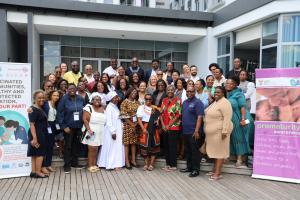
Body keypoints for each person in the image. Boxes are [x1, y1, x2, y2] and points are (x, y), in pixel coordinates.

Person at [203, 86, 233, 181]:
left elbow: (227, 118)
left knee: (220, 153)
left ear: (223, 93)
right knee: (216, 152)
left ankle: (218, 173)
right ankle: (215, 170)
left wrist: (224, 131)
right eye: (215, 92)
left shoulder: (225, 103)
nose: (216, 94)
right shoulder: (216, 102)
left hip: (220, 132)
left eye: (218, 92)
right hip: (213, 134)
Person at [57, 83, 86, 173]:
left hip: (78, 126)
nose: (72, 90)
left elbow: (85, 110)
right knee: (68, 146)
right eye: (70, 88)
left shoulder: (80, 98)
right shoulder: (64, 99)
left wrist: (83, 125)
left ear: (76, 89)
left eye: (73, 88)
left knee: (76, 146)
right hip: (68, 127)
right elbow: (60, 113)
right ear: (67, 90)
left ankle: (75, 163)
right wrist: (64, 126)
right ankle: (67, 165)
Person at [225, 77, 254, 168]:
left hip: (239, 118)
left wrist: (243, 119)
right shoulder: (229, 94)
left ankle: (239, 159)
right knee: (232, 138)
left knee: (239, 138)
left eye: (230, 83)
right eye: (226, 83)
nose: (227, 85)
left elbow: (242, 107)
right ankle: (232, 156)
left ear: (234, 85)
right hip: (231, 119)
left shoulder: (239, 94)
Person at [180, 86, 204, 178]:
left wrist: (197, 130)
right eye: (188, 91)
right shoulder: (185, 102)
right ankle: (189, 167)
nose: (189, 93)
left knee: (194, 152)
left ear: (195, 92)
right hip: (185, 131)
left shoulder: (198, 103)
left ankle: (195, 170)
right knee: (188, 151)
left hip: (194, 132)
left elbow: (200, 117)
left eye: (191, 91)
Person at [98, 92, 125, 170]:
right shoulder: (109, 107)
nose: (117, 99)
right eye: (115, 97)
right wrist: (113, 132)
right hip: (112, 131)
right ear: (110, 98)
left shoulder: (115, 106)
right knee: (112, 147)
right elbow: (108, 121)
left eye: (117, 97)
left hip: (118, 129)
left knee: (116, 148)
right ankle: (110, 164)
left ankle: (116, 163)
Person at [160, 85, 182, 172]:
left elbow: (178, 115)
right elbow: (161, 113)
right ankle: (168, 164)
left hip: (173, 127)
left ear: (174, 91)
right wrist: (162, 125)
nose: (170, 91)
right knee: (166, 146)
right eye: (168, 90)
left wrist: (168, 125)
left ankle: (173, 165)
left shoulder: (177, 100)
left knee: (172, 146)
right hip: (164, 127)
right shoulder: (164, 100)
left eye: (172, 90)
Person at [27, 90, 48, 178]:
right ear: (34, 99)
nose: (41, 99)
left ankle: (34, 172)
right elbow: (32, 124)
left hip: (39, 132)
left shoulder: (39, 108)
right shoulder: (33, 109)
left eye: (43, 97)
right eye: (39, 98)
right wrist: (35, 138)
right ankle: (38, 172)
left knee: (35, 153)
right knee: (40, 153)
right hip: (37, 133)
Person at [137, 94, 160, 171]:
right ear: (144, 99)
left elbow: (158, 118)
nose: (148, 101)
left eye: (150, 99)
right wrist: (143, 128)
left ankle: (151, 164)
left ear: (152, 100)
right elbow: (139, 119)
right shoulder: (141, 107)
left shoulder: (154, 108)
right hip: (145, 127)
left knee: (154, 146)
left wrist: (157, 121)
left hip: (154, 128)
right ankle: (146, 164)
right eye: (146, 99)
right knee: (144, 147)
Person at [82, 95, 105, 173]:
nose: (97, 100)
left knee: (96, 148)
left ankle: (94, 164)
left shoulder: (103, 108)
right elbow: (85, 120)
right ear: (92, 101)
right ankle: (90, 165)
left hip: (100, 131)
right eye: (96, 99)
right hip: (92, 131)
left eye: (99, 99)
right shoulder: (88, 107)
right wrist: (89, 130)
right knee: (92, 148)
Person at [120, 88, 140, 169]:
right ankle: (127, 161)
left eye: (135, 92)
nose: (134, 93)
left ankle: (133, 160)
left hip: (136, 124)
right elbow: (123, 115)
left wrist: (136, 124)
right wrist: (132, 124)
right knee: (127, 144)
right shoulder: (124, 102)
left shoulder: (137, 102)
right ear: (129, 92)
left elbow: (140, 113)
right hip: (127, 125)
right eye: (132, 91)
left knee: (134, 143)